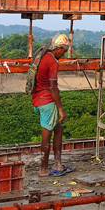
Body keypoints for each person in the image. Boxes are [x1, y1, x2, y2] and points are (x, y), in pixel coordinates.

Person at [30, 33, 74, 177]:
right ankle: (43, 169)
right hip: (47, 102)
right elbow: (53, 87)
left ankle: (58, 164)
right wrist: (60, 109)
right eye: (64, 50)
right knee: (46, 135)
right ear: (59, 48)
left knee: (58, 129)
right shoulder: (52, 62)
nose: (64, 53)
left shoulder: (42, 54)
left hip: (37, 100)